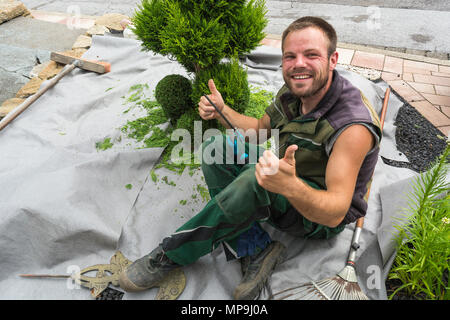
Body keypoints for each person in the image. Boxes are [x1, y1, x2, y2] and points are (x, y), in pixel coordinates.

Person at [119, 16, 382, 300]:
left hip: (314, 219)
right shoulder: (294, 90)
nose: (299, 64)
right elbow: (258, 131)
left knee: (257, 180)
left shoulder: (352, 127)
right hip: (289, 175)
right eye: (290, 56)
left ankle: (171, 254)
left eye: (311, 55)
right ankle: (256, 248)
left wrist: (289, 185)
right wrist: (222, 110)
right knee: (215, 145)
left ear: (333, 60)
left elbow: (334, 213)